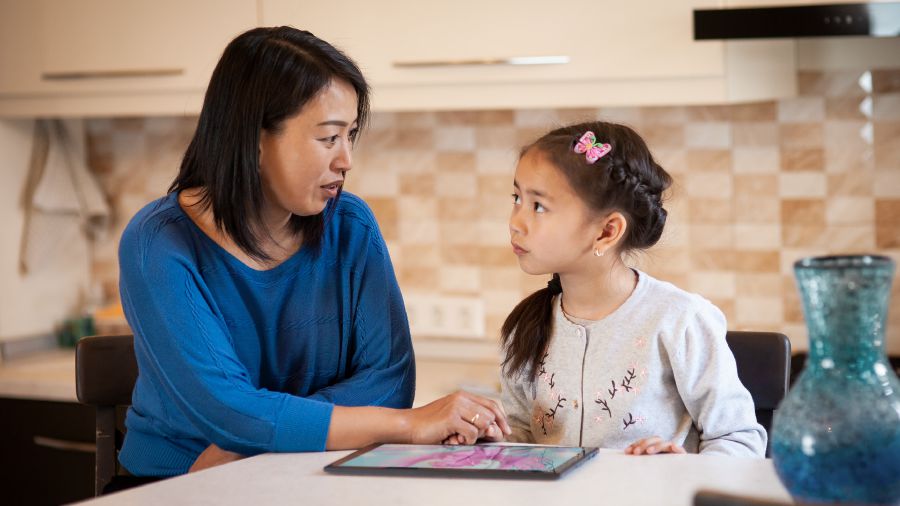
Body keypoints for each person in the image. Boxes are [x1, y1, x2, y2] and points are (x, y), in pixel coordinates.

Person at [117, 26, 509, 479]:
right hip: (176, 485)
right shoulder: (158, 244)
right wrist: (408, 425)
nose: (346, 160)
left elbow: (391, 379)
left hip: (312, 474)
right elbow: (227, 410)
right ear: (255, 140)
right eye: (328, 138)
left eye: (350, 136)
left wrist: (259, 438)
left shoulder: (351, 225)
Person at [497, 121, 765, 457]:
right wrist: (487, 441)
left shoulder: (680, 320)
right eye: (516, 198)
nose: (515, 221)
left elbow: (740, 439)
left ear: (607, 231)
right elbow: (520, 438)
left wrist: (685, 470)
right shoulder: (524, 328)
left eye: (538, 206)